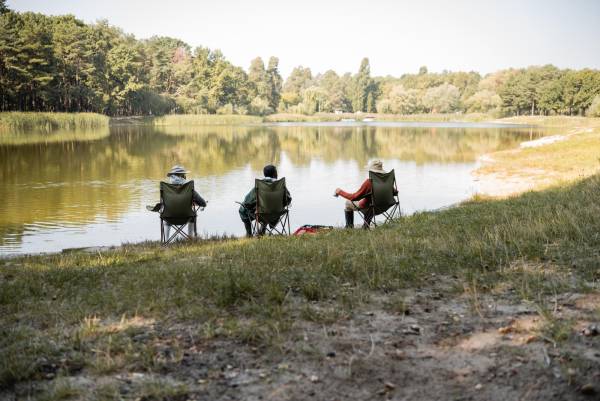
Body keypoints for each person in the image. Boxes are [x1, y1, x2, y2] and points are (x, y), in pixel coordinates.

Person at [148, 165, 207, 239]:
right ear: (182, 176)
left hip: (169, 217)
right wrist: (191, 202)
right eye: (184, 175)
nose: (185, 176)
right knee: (193, 214)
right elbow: (203, 203)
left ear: (172, 176)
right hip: (187, 217)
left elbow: (166, 204)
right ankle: (190, 238)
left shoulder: (166, 188)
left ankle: (166, 240)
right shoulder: (189, 187)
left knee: (166, 211)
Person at [334, 159, 393, 228]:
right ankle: (366, 225)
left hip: (372, 208)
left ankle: (349, 227)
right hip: (385, 206)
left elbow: (354, 197)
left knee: (348, 203)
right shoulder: (386, 181)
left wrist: (340, 191)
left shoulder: (369, 182)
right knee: (370, 202)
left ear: (371, 171)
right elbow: (395, 192)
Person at [239, 164, 291, 237]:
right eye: (276, 172)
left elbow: (247, 202)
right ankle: (262, 229)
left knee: (242, 210)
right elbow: (288, 200)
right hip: (277, 213)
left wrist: (256, 203)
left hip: (262, 214)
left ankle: (249, 234)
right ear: (274, 174)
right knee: (266, 207)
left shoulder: (260, 185)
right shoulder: (280, 185)